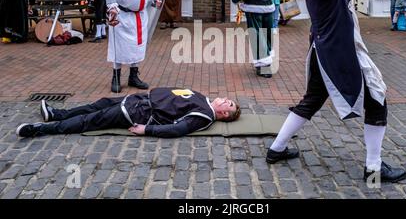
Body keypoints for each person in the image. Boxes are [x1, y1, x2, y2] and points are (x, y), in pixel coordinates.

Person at [265, 0, 406, 184]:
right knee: (376, 98)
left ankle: (276, 149)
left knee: (313, 100)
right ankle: (373, 167)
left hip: (324, 50)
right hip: (338, 52)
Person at [16, 87, 241, 138]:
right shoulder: (202, 98)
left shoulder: (204, 115)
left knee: (91, 120)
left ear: (223, 115)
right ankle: (56, 114)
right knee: (96, 105)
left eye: (229, 104)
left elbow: (179, 128)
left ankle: (41, 129)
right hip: (139, 99)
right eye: (229, 100)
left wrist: (148, 129)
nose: (226, 100)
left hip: (140, 113)